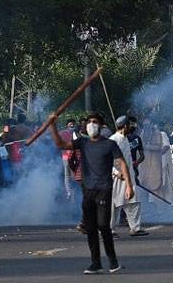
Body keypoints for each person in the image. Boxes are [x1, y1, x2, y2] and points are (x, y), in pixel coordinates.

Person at [49, 112, 133, 274]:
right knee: (91, 227)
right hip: (88, 191)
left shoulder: (109, 145)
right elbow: (61, 145)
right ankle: (96, 263)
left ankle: (113, 261)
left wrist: (129, 186)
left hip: (104, 190)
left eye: (95, 122)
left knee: (103, 225)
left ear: (101, 126)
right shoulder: (82, 143)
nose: (91, 124)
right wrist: (52, 124)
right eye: (89, 122)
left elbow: (122, 163)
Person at [109, 116, 149, 237]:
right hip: (116, 177)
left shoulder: (125, 138)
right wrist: (116, 172)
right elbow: (107, 161)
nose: (131, 127)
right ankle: (109, 230)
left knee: (133, 202)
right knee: (113, 204)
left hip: (129, 176)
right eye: (129, 125)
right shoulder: (113, 140)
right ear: (125, 126)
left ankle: (135, 228)